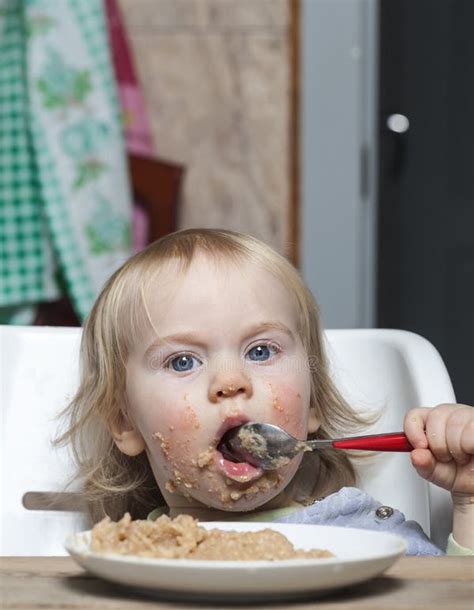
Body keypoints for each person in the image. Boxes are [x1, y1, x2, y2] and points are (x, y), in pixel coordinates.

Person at [58, 228, 474, 555]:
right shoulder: (124, 557)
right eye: (182, 361)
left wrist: (468, 503)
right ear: (125, 422)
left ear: (312, 402)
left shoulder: (365, 537)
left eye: (260, 350)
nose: (231, 382)